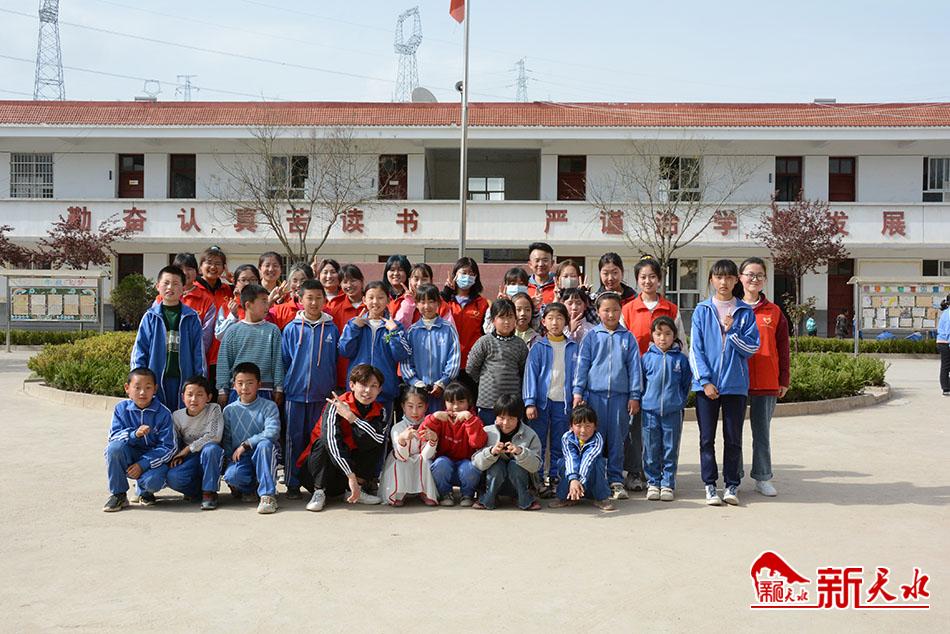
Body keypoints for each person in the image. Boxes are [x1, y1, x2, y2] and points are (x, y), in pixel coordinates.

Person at [689, 259, 760, 506]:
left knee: (733, 438)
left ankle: (731, 485)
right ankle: (710, 485)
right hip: (706, 387)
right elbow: (695, 350)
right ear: (711, 280)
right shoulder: (702, 310)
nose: (723, 282)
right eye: (719, 277)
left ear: (736, 280)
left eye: (729, 277)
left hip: (735, 386)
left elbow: (751, 348)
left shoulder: (745, 312)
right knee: (706, 438)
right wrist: (705, 381)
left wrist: (732, 332)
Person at [620, 256, 687, 492]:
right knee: (637, 430)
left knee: (665, 435)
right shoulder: (628, 309)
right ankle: (637, 473)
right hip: (636, 379)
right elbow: (623, 346)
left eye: (652, 277)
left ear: (659, 279)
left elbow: (682, 345)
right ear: (637, 280)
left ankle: (662, 478)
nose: (647, 281)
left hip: (666, 380)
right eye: (643, 277)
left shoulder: (670, 308)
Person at [572, 292, 642, 500]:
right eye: (606, 310)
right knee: (595, 438)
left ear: (621, 311)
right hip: (595, 396)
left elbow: (634, 369)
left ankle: (616, 479)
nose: (611, 314)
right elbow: (582, 365)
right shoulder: (592, 336)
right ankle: (596, 478)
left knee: (618, 439)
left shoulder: (628, 337)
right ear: (598, 311)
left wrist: (634, 395)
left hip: (620, 398)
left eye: (615, 310)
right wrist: (578, 392)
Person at [298, 364, 388, 511]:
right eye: (363, 385)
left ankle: (355, 491)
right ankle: (319, 492)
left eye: (373, 386)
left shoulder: (380, 410)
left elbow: (378, 439)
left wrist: (352, 418)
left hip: (346, 477)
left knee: (375, 439)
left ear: (379, 390)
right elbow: (331, 442)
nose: (367, 391)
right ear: (352, 385)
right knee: (324, 442)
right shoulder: (336, 404)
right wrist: (350, 476)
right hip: (316, 472)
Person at [281, 279, 339, 499]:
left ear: (324, 300)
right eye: (309, 298)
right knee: (293, 440)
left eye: (318, 298)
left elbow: (335, 361)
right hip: (295, 395)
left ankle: (317, 484)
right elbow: (285, 361)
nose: (314, 303)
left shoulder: (332, 329)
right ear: (300, 300)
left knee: (318, 442)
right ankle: (292, 483)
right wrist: (285, 386)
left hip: (322, 396)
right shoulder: (291, 329)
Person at [737, 258, 790, 497]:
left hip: (767, 381)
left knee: (762, 434)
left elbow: (783, 348)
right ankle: (734, 476)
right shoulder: (732, 308)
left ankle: (762, 477)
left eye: (759, 275)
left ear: (765, 280)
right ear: (740, 278)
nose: (754, 279)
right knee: (734, 432)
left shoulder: (774, 311)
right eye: (749, 274)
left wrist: (784, 379)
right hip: (736, 381)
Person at [131, 265, 205, 410]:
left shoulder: (191, 317)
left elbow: (198, 352)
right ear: (158, 286)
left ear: (183, 288)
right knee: (156, 415)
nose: (170, 287)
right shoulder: (150, 317)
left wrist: (200, 380)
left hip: (184, 379)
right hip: (155, 379)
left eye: (176, 283)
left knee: (181, 416)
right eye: (166, 283)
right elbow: (140, 349)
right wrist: (138, 380)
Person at [102, 367, 176, 512]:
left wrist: (143, 464)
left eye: (148, 388)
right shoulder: (121, 409)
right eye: (137, 387)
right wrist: (134, 435)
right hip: (129, 454)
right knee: (114, 449)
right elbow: (114, 436)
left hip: (152, 461)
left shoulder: (163, 413)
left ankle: (145, 491)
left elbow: (168, 447)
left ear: (155, 389)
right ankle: (118, 494)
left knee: (153, 481)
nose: (142, 392)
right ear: (127, 388)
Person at [524, 302, 577, 496]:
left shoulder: (573, 347)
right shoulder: (538, 347)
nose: (555, 323)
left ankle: (556, 477)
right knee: (537, 441)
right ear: (544, 322)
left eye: (559, 318)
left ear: (566, 321)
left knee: (559, 442)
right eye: (551, 318)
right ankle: (537, 478)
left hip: (563, 403)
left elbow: (579, 374)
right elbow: (530, 375)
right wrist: (530, 401)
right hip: (541, 402)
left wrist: (578, 396)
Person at [338, 281, 411, 419]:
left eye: (380, 297)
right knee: (356, 427)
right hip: (358, 390)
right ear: (364, 300)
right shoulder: (354, 323)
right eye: (371, 297)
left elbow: (401, 355)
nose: (375, 302)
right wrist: (354, 328)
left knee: (381, 429)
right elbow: (344, 351)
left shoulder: (395, 326)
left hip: (384, 390)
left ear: (388, 300)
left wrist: (394, 332)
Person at [640, 316, 692, 502]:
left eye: (668, 334)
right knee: (651, 448)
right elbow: (641, 383)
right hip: (649, 411)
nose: (663, 338)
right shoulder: (646, 359)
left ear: (674, 336)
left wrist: (679, 401)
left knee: (670, 448)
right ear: (652, 335)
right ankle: (653, 482)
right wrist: (644, 401)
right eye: (658, 334)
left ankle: (668, 483)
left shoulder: (681, 360)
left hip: (672, 412)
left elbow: (686, 383)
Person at [221, 362, 281, 514]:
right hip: (241, 457)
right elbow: (227, 440)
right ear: (234, 385)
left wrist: (247, 444)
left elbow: (272, 432)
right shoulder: (229, 410)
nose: (244, 388)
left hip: (263, 454)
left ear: (259, 385)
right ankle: (249, 489)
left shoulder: (269, 406)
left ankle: (268, 495)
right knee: (232, 476)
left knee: (264, 444)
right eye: (240, 383)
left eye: (250, 383)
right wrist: (229, 463)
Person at [215, 284, 285, 409]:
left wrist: (279, 387)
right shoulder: (233, 331)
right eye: (263, 301)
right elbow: (224, 362)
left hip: (265, 389)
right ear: (248, 305)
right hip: (238, 391)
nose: (267, 305)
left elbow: (278, 361)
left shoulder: (273, 330)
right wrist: (222, 390)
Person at [419, 382, 487, 507]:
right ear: (444, 403)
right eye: (451, 402)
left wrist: (470, 420)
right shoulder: (440, 418)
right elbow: (421, 434)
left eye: (461, 402)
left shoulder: (474, 420)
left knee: (470, 468)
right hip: (445, 464)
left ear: (468, 402)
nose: (456, 407)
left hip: (466, 463)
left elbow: (478, 443)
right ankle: (445, 494)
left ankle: (467, 494)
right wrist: (434, 417)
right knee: (440, 463)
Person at [471, 395, 542, 511]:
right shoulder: (486, 432)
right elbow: (476, 463)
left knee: (515, 465)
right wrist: (491, 452)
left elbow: (536, 466)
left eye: (511, 419)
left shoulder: (530, 435)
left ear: (519, 418)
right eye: (502, 418)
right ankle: (488, 498)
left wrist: (520, 452)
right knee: (497, 466)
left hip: (520, 484)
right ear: (495, 416)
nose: (505, 423)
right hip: (492, 483)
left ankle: (525, 499)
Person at [466, 298, 529, 427]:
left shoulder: (520, 344)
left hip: (512, 403)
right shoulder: (484, 342)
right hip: (488, 403)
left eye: (510, 317)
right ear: (493, 320)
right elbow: (471, 367)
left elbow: (524, 371)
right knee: (488, 435)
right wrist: (486, 381)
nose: (506, 321)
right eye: (502, 317)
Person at [165, 375, 225, 510]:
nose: (193, 399)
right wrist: (178, 455)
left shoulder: (214, 409)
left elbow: (214, 436)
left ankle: (209, 493)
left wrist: (187, 449)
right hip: (190, 457)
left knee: (211, 449)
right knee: (173, 477)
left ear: (208, 397)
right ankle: (197, 492)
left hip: (210, 455)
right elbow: (174, 440)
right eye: (190, 395)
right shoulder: (177, 416)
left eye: (199, 395)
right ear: (183, 397)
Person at [400, 283, 461, 413]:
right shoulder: (411, 331)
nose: (427, 306)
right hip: (418, 393)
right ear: (416, 304)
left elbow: (454, 359)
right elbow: (405, 360)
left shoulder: (448, 329)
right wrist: (416, 382)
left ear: (438, 303)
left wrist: (442, 382)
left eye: (431, 301)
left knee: (441, 421)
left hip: (443, 391)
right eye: (422, 302)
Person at [379, 386, 439, 506]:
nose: (415, 412)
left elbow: (426, 455)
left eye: (419, 406)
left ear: (426, 407)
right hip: (401, 459)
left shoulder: (429, 427)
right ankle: (399, 493)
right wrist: (402, 439)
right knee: (401, 462)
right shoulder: (397, 428)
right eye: (410, 406)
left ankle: (424, 491)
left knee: (425, 462)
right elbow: (402, 456)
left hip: (421, 459)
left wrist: (433, 440)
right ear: (403, 406)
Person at [548, 405, 615, 512]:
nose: (583, 430)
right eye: (578, 426)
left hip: (588, 479)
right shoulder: (567, 437)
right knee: (563, 463)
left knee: (598, 463)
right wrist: (573, 479)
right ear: (571, 426)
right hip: (573, 481)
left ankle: (601, 498)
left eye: (588, 426)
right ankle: (565, 497)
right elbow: (571, 457)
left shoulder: (597, 439)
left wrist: (579, 482)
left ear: (595, 426)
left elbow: (588, 459)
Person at [440, 257, 490, 393]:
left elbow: (486, 332)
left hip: (472, 364)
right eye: (463, 273)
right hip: (447, 363)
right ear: (455, 275)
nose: (467, 277)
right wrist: (445, 293)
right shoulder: (445, 300)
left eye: (471, 273)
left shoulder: (482, 303)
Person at [194, 246, 232, 385]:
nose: (213, 267)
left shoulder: (228, 290)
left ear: (224, 268)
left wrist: (233, 279)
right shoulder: (192, 290)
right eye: (209, 263)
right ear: (200, 267)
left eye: (218, 263)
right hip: (198, 356)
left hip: (222, 356)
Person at [171, 252, 216, 364]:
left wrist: (190, 355)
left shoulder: (206, 300)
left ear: (197, 271)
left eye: (189, 269)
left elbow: (206, 336)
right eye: (180, 269)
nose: (185, 273)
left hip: (193, 360)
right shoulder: (163, 297)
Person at [326, 264, 365, 389]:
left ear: (362, 281)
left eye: (353, 280)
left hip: (369, 374)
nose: (349, 285)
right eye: (345, 282)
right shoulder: (335, 309)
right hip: (343, 374)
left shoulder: (372, 305)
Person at [214, 264, 275, 341]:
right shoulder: (226, 307)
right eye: (243, 280)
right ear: (236, 283)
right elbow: (219, 336)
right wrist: (233, 316)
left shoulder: (268, 306)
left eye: (253, 280)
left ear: (258, 282)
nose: (248, 283)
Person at [394, 263, 456, 331]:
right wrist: (409, 303)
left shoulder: (441, 305)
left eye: (424, 279)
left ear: (431, 281)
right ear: (409, 280)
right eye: (416, 279)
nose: (420, 283)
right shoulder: (400, 302)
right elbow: (398, 329)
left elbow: (449, 331)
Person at [268, 262, 314, 330]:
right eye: (295, 281)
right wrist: (270, 301)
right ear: (289, 283)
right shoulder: (282, 309)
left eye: (303, 281)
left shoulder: (318, 307)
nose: (298, 285)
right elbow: (260, 322)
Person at [938, 295, 950, 396]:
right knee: (946, 366)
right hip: (946, 342)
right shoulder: (949, 313)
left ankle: (946, 387)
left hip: (943, 342)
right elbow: (948, 331)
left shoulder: (946, 312)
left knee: (945, 366)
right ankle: (946, 388)